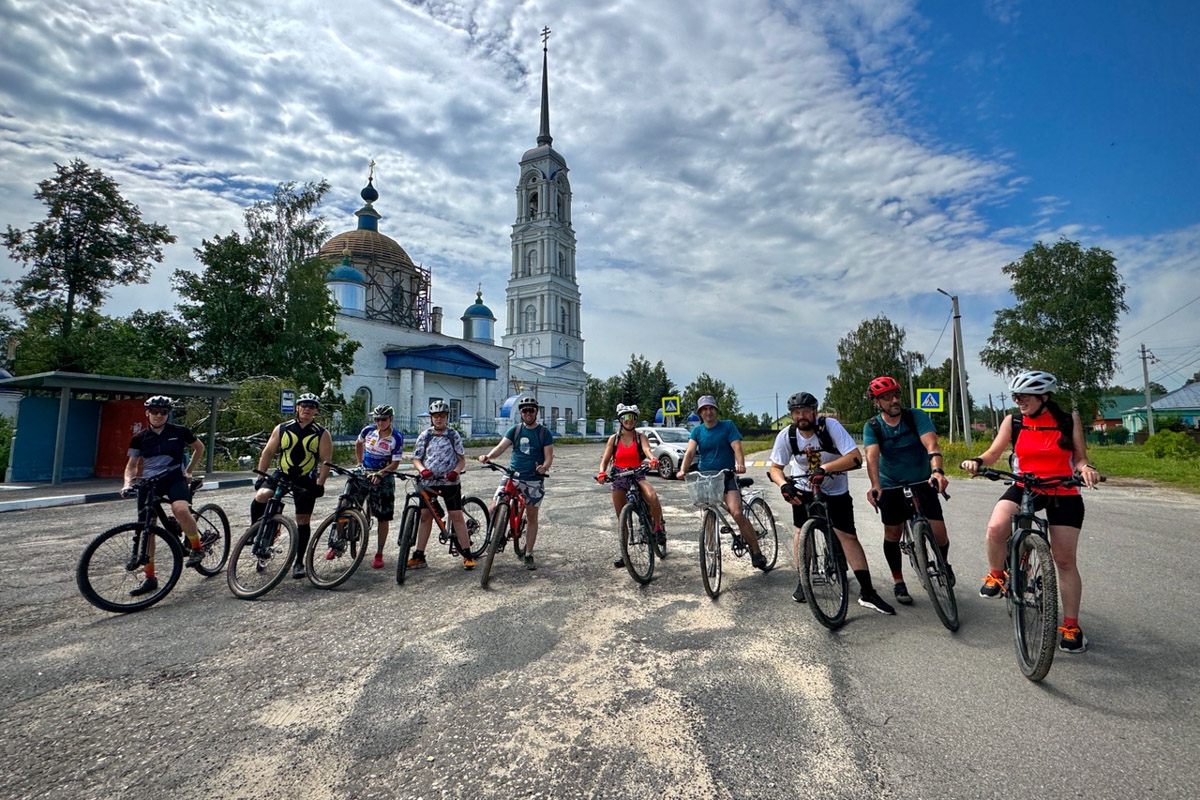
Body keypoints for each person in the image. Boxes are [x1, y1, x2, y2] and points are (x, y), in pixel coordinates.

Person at [960, 370, 1101, 653]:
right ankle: (997, 575)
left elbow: (1080, 458)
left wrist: (1086, 469)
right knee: (996, 527)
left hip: (1063, 489)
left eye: (1024, 396)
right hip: (1026, 485)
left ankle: (1071, 627)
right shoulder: (1014, 421)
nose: (1019, 400)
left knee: (1064, 560)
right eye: (1016, 396)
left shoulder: (1067, 420)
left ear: (1044, 397)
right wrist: (976, 461)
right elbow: (994, 452)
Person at [767, 391, 895, 614]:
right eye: (797, 413)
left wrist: (825, 469)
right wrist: (783, 486)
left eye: (806, 411)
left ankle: (867, 591)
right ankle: (803, 580)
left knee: (847, 535)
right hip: (804, 488)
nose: (802, 416)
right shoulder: (787, 435)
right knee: (800, 532)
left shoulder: (830, 427)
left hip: (834, 488)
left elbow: (855, 457)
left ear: (815, 411)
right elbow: (775, 468)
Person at [862, 376, 955, 606]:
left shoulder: (916, 416)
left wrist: (937, 471)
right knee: (892, 534)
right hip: (891, 483)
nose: (894, 400)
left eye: (896, 395)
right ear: (876, 402)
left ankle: (943, 564)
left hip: (922, 480)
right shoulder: (873, 426)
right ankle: (898, 581)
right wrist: (875, 485)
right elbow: (872, 457)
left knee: (940, 533)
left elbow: (932, 445)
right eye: (886, 397)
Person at [122, 396, 207, 596]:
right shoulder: (139, 438)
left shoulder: (179, 432)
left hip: (174, 478)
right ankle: (149, 577)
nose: (159, 415)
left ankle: (197, 546)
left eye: (163, 412)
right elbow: (132, 466)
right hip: (149, 483)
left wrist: (189, 471)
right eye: (155, 411)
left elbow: (199, 448)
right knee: (147, 529)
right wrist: (127, 483)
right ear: (147, 413)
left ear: (168, 414)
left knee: (179, 509)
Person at [676, 395, 768, 571]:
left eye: (711, 408)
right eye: (704, 409)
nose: (708, 412)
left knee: (736, 512)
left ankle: (756, 553)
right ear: (700, 413)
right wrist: (682, 469)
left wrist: (740, 463)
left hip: (726, 475)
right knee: (708, 516)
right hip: (706, 478)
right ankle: (711, 555)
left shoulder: (728, 426)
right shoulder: (697, 431)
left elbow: (737, 447)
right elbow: (689, 452)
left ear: (716, 410)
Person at [251, 392, 333, 579]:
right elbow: (268, 452)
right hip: (282, 473)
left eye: (311, 406)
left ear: (316, 411)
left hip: (305, 478)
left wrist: (320, 484)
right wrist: (260, 476)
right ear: (297, 407)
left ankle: (298, 562)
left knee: (303, 520)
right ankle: (255, 531)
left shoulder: (321, 433)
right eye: (303, 405)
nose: (306, 409)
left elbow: (326, 461)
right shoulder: (282, 428)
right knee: (262, 495)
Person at [478, 394, 554, 571]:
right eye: (524, 410)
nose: (527, 413)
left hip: (533, 478)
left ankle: (528, 553)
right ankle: (498, 537)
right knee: (493, 508)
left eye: (531, 410)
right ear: (520, 412)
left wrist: (544, 467)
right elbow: (501, 447)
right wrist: (488, 456)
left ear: (536, 412)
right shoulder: (515, 430)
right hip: (512, 475)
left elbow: (549, 457)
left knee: (532, 515)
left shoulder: (544, 433)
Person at [596, 403, 666, 568]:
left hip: (637, 473)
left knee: (652, 496)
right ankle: (624, 554)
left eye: (632, 417)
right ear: (620, 419)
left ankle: (657, 528)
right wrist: (601, 472)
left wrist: (652, 459)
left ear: (635, 419)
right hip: (619, 475)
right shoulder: (614, 439)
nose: (629, 420)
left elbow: (647, 450)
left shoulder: (640, 436)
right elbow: (605, 459)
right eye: (625, 417)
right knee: (622, 518)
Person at [408, 400, 475, 570]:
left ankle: (467, 553)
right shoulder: (425, 436)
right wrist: (423, 470)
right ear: (431, 418)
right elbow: (416, 459)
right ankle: (419, 555)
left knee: (456, 516)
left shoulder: (453, 435)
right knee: (425, 516)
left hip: (449, 482)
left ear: (447, 417)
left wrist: (456, 472)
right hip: (429, 482)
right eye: (436, 416)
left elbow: (461, 460)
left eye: (442, 416)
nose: (439, 419)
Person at [352, 404, 404, 569]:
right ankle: (337, 541)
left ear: (391, 419)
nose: (380, 422)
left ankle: (379, 552)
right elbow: (358, 444)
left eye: (383, 419)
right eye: (377, 419)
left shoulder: (396, 437)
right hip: (365, 471)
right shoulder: (368, 431)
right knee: (346, 503)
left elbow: (395, 464)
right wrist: (359, 463)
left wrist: (381, 474)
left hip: (384, 475)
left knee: (383, 516)